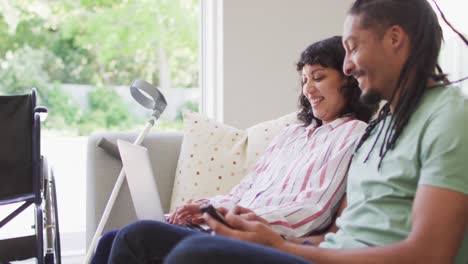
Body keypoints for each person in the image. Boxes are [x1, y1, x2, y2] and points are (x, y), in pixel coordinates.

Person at [159, 1, 468, 264]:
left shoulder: (450, 117)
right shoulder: (380, 128)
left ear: (394, 38)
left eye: (352, 48)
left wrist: (281, 247)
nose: (347, 67)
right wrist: (261, 235)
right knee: (132, 239)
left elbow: (430, 255)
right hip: (327, 256)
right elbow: (336, 237)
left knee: (194, 252)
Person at [93, 36, 377, 263]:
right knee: (110, 239)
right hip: (225, 226)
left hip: (254, 236)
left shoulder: (352, 134)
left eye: (318, 77)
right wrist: (207, 208)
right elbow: (247, 188)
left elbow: (312, 210)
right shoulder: (291, 135)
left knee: (137, 236)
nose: (308, 90)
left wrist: (228, 216)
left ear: (348, 80)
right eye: (304, 80)